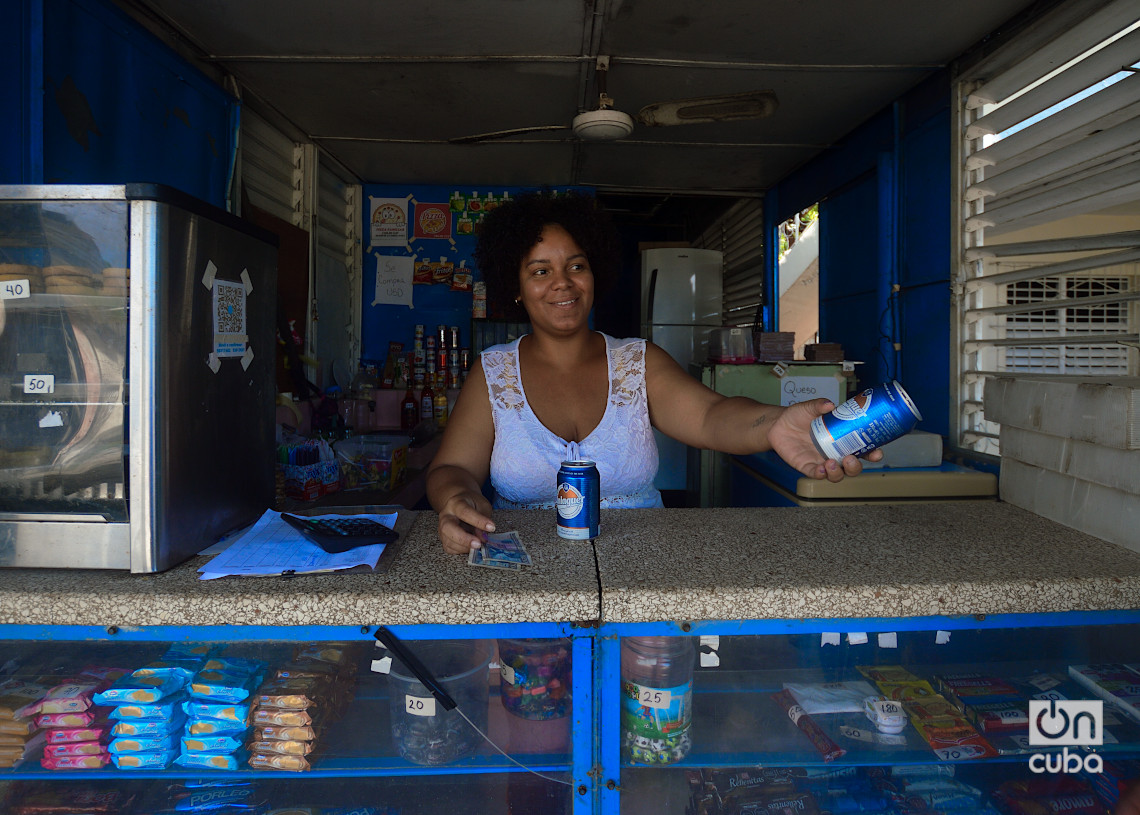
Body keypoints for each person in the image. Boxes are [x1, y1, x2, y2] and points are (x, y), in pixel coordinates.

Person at [427, 191, 881, 554]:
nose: (562, 282)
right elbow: (452, 468)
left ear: (595, 274)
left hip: (642, 571)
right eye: (540, 271)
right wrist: (456, 500)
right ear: (516, 288)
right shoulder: (493, 374)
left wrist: (775, 423)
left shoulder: (637, 362)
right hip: (530, 577)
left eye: (576, 266)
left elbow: (711, 416)